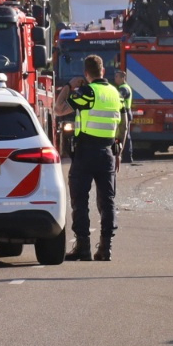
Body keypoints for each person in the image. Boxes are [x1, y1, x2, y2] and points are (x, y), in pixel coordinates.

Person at [66, 53, 126, 261]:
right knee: (107, 200)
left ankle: (83, 246)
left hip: (85, 152)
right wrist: (119, 151)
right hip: (107, 152)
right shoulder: (115, 93)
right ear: (103, 71)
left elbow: (58, 109)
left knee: (80, 201)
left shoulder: (86, 92)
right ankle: (105, 248)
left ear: (86, 73)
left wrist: (68, 86)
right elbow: (124, 124)